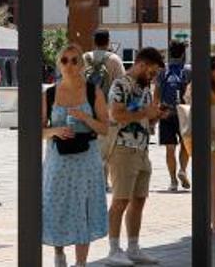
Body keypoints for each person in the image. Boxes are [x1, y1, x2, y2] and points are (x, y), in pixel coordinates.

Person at [42, 44, 109, 267]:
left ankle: (81, 263)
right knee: (56, 204)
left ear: (81, 64)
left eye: (74, 60)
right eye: (64, 60)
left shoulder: (93, 91)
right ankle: (59, 254)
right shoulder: (50, 93)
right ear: (59, 64)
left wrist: (84, 118)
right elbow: (38, 130)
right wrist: (55, 131)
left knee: (84, 206)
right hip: (58, 159)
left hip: (86, 159)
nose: (69, 65)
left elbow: (104, 128)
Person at [102, 47, 167, 266]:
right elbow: (116, 114)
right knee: (120, 200)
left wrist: (155, 116)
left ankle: (133, 247)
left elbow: (143, 118)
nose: (153, 76)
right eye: (152, 72)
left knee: (139, 199)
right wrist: (145, 113)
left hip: (141, 149)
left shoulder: (144, 88)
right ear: (141, 65)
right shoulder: (121, 84)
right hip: (122, 148)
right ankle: (113, 249)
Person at [186, 57, 215, 236]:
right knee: (212, 181)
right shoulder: (200, 88)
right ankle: (214, 222)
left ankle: (214, 220)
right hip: (206, 140)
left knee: (214, 182)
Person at [158, 41, 191, 191]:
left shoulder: (162, 71)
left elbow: (157, 92)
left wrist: (155, 113)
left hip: (166, 112)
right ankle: (182, 170)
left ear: (169, 53)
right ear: (183, 54)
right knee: (185, 145)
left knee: (169, 148)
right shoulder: (188, 70)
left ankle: (172, 181)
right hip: (184, 112)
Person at [85, 30, 127, 97]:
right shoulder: (114, 59)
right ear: (108, 41)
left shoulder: (84, 58)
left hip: (86, 103)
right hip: (106, 103)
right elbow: (122, 83)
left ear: (94, 42)